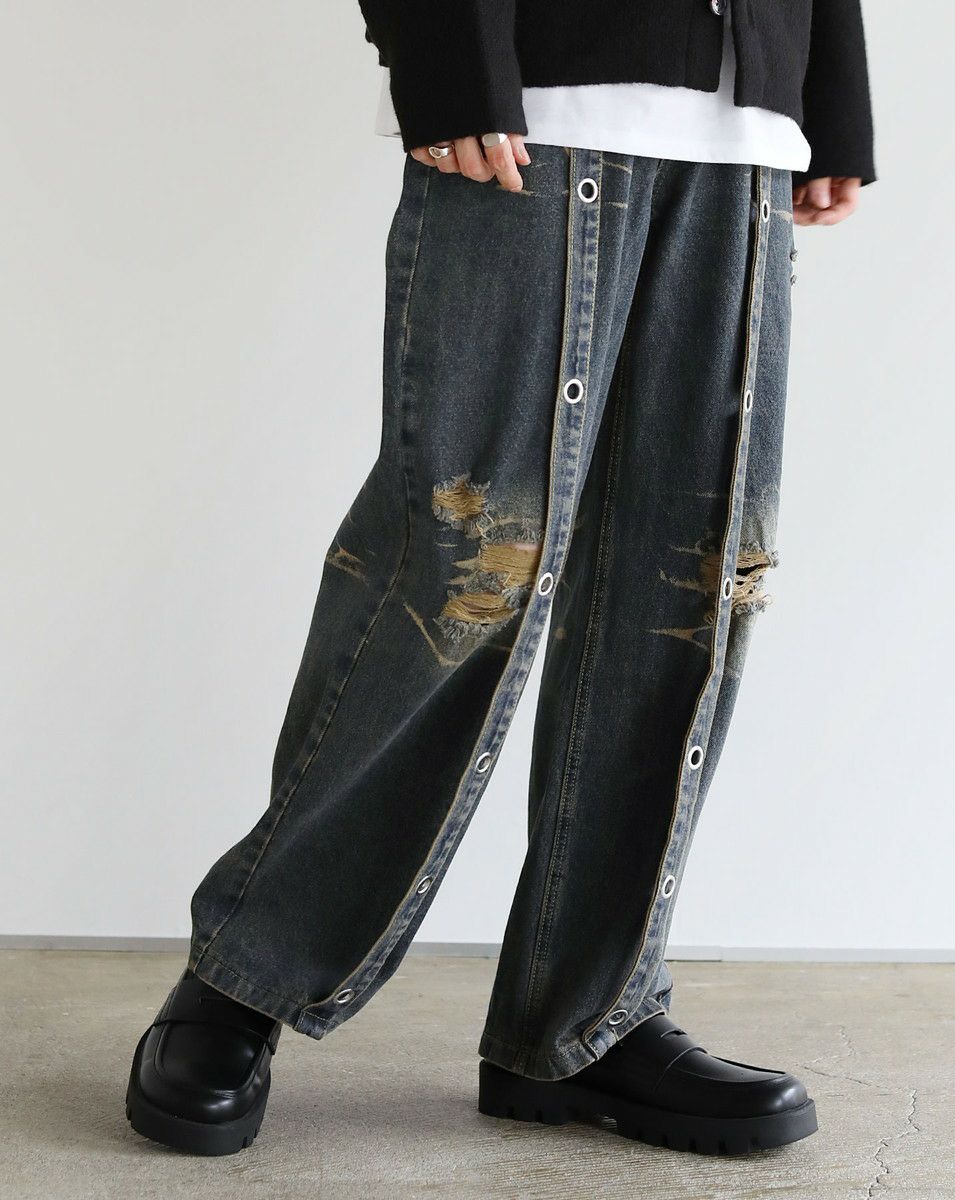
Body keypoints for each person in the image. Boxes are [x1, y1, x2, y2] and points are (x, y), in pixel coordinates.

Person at [125, 0, 875, 1158]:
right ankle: (245, 976)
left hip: (744, 133)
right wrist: (445, 57)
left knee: (686, 589)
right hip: (535, 104)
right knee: (465, 567)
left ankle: (583, 1023)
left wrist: (829, 96)